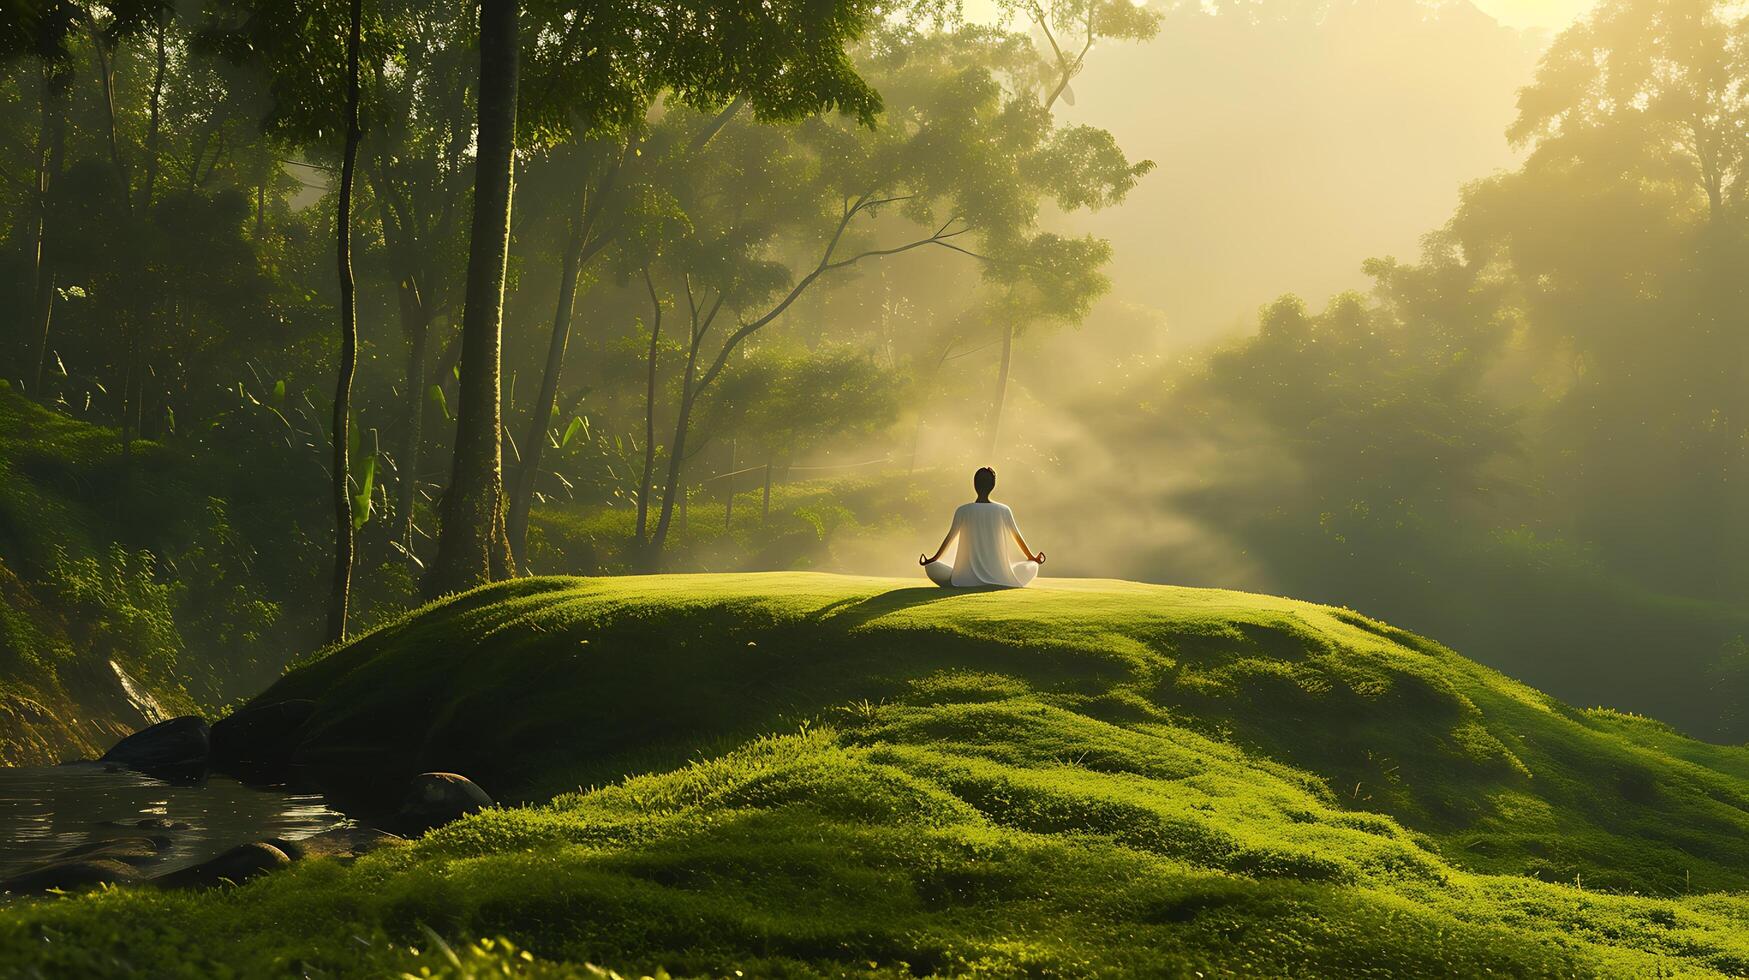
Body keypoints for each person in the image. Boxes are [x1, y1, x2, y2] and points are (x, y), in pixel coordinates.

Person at [919, 466, 1046, 588]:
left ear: (974, 484)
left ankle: (966, 579)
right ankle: (1003, 576)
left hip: (965, 579)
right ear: (993, 486)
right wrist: (1032, 558)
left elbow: (949, 538)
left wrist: (933, 559)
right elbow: (1017, 537)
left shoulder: (963, 510)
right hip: (1001, 578)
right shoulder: (1003, 510)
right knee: (1032, 565)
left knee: (932, 567)